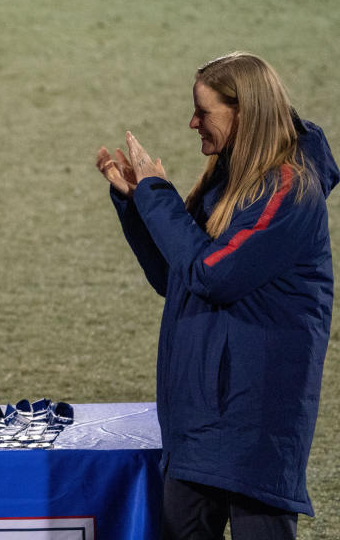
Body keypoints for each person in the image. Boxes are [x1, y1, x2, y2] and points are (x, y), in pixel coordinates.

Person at [95, 52, 337, 540]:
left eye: (203, 112)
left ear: (243, 111)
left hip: (252, 421)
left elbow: (213, 275)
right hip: (200, 416)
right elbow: (176, 277)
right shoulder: (230, 176)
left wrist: (157, 195)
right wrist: (135, 202)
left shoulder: (289, 188)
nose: (192, 123)